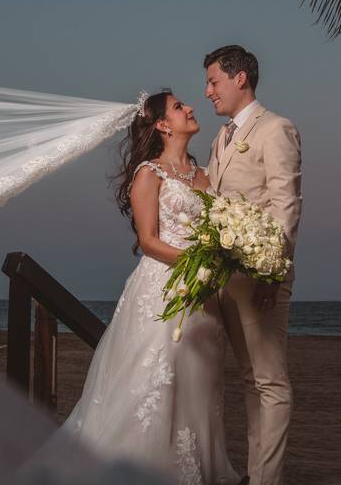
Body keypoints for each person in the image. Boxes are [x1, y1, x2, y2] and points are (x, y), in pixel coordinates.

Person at [63, 90, 239, 485]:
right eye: (179, 107)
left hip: (204, 298)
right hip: (163, 288)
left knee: (199, 382)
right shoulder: (150, 173)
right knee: (157, 381)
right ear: (162, 124)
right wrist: (197, 263)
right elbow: (148, 240)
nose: (190, 108)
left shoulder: (205, 174)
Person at [205, 45, 303, 485]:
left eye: (213, 81)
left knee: (270, 383)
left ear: (239, 78)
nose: (208, 92)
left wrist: (273, 272)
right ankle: (257, 476)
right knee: (249, 382)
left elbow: (286, 205)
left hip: (261, 279)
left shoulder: (276, 129)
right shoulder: (220, 137)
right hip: (226, 280)